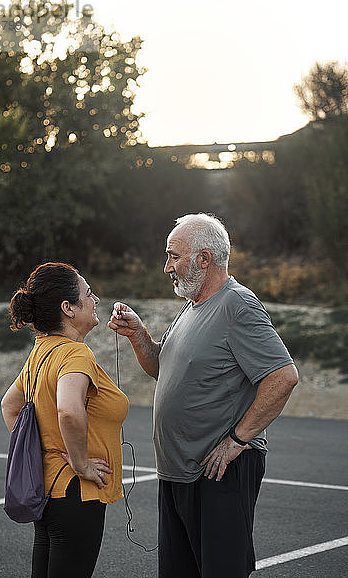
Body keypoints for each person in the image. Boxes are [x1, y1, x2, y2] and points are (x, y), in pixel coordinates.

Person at [108, 213, 298, 578]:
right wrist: (138, 336)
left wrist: (237, 440)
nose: (167, 267)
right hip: (179, 472)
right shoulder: (192, 305)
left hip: (219, 472)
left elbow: (283, 376)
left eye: (173, 256)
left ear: (204, 259)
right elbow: (163, 368)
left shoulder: (237, 305)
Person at [1, 262, 129, 578]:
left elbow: (9, 406)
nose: (96, 299)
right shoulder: (75, 354)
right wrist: (80, 462)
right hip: (77, 492)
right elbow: (69, 411)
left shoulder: (41, 350)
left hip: (49, 490)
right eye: (89, 294)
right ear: (68, 308)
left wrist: (42, 453)